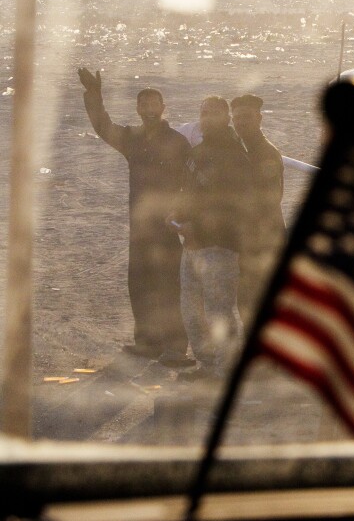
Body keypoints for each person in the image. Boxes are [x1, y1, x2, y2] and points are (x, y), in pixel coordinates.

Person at [77, 67, 194, 368]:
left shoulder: (178, 142)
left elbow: (191, 183)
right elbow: (103, 126)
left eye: (154, 103)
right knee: (140, 283)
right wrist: (94, 95)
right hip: (140, 227)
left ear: (163, 107)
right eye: (144, 104)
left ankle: (177, 348)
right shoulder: (132, 139)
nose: (149, 108)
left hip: (167, 226)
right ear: (138, 109)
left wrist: (184, 215)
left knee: (170, 285)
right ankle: (148, 342)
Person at [172, 96, 253, 379]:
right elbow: (188, 193)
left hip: (220, 246)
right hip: (192, 244)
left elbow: (235, 206)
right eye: (204, 113)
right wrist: (178, 217)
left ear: (226, 118)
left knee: (219, 311)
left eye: (215, 114)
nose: (208, 119)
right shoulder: (197, 153)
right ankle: (207, 365)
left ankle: (225, 370)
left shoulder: (235, 156)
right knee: (192, 310)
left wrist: (200, 226)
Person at [229, 94, 287, 326]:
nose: (241, 122)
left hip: (265, 237)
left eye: (247, 117)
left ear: (259, 118)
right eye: (237, 118)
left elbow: (271, 199)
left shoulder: (266, 153)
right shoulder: (240, 149)